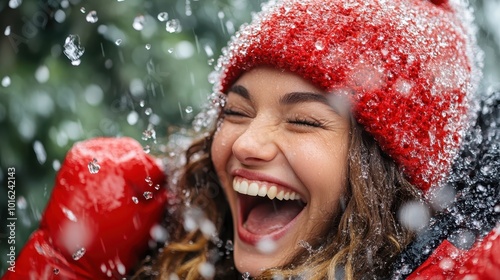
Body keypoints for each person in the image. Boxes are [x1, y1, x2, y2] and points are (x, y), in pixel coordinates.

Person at [2, 0, 499, 279]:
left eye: (303, 121)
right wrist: (68, 267)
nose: (246, 143)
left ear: (389, 175)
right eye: (236, 112)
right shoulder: (159, 260)